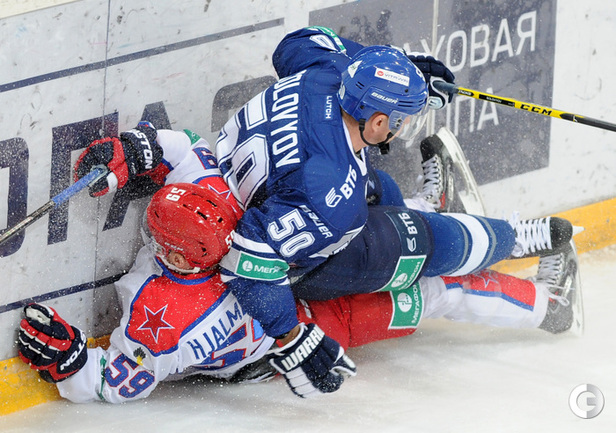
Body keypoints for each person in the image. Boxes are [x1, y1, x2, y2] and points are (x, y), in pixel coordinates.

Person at [67, 27, 576, 397]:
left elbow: (295, 45)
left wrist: (399, 70)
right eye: (400, 117)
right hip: (310, 254)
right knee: (424, 245)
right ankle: (517, 239)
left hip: (248, 195)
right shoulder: (330, 195)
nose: (403, 126)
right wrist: (291, 337)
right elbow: (251, 261)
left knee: (383, 189)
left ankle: (440, 212)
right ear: (376, 122)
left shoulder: (325, 73)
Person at [16, 145, 581, 403]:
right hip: (306, 333)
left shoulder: (207, 209)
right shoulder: (159, 318)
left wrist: (136, 149)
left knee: (364, 221)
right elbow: (116, 382)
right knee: (429, 293)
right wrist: (74, 366)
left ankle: (427, 211)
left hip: (303, 283)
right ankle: (549, 305)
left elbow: (183, 151)